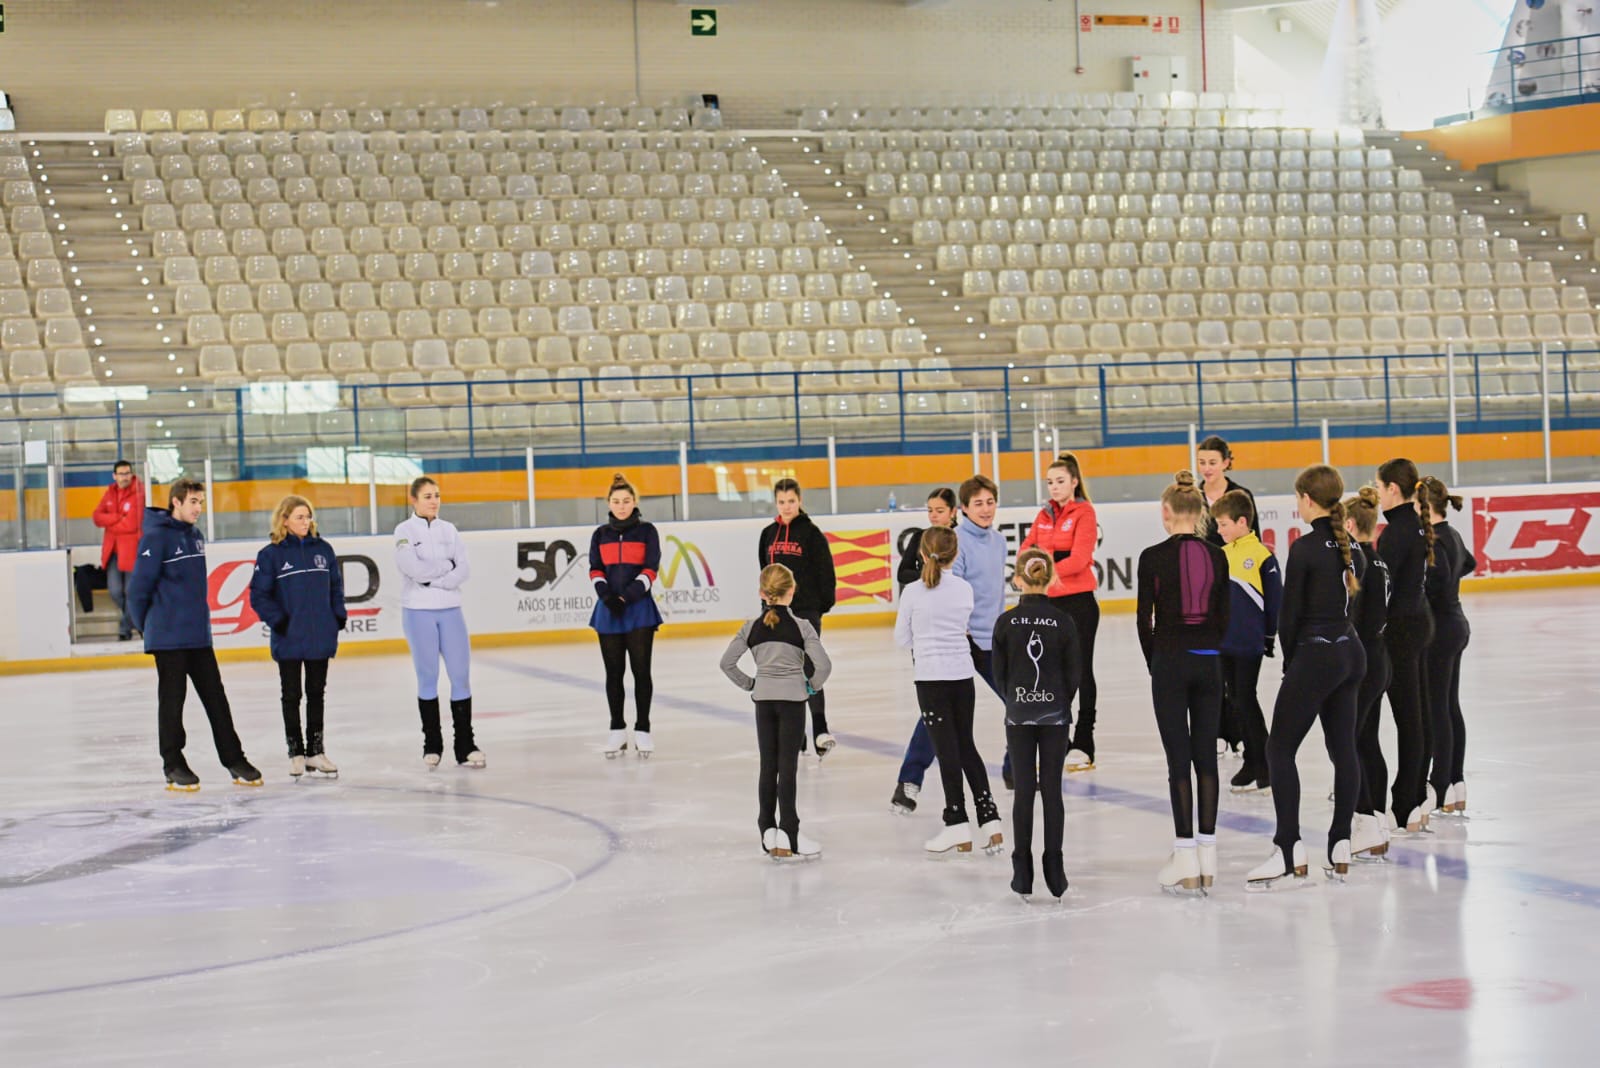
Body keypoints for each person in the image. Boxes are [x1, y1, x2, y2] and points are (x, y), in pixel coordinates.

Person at [1246, 466, 1367, 890]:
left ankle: (1288, 848)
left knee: (1279, 748)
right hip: (1350, 654)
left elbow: (1290, 616)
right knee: (1343, 748)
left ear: (1307, 499)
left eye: (1298, 498)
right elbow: (1353, 609)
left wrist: (1290, 664)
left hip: (1316, 655)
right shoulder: (1353, 546)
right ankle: (1341, 842)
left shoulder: (1305, 549)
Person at [126, 477, 262, 790]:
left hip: (198, 635)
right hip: (168, 637)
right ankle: (173, 762)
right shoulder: (156, 538)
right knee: (172, 702)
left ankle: (234, 758)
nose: (198, 508)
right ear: (176, 502)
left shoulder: (195, 536)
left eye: (201, 502)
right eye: (193, 502)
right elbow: (137, 591)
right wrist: (149, 628)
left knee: (217, 699)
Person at [1136, 471, 1230, 895]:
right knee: (1205, 758)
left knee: (1179, 761)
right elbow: (1225, 616)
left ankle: (1185, 855)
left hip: (1170, 664)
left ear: (1166, 513)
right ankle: (1208, 857)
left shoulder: (1151, 557)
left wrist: (1156, 662)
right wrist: (1209, 648)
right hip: (1209, 665)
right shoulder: (1218, 556)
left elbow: (1144, 620)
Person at [891, 475, 1009, 810]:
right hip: (959, 643)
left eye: (990, 502)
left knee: (1017, 703)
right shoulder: (956, 541)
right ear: (965, 509)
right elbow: (945, 592)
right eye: (978, 504)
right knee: (936, 718)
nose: (985, 510)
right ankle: (909, 781)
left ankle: (1015, 769)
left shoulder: (999, 542)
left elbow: (996, 594)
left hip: (991, 642)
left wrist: (1001, 634)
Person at [895, 526, 1003, 855]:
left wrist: (924, 641)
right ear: (955, 555)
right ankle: (990, 820)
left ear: (922, 555)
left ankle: (956, 822)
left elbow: (902, 638)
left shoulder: (913, 592)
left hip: (931, 679)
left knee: (946, 752)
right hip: (961, 676)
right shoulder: (964, 590)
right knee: (965, 745)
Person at [720, 564, 832, 860]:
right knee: (788, 768)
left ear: (762, 593)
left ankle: (767, 831)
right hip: (793, 702)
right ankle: (790, 834)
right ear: (792, 592)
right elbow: (824, 667)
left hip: (764, 701)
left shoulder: (751, 627)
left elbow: (726, 663)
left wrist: (751, 684)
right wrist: (809, 688)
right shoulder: (802, 627)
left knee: (768, 766)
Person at [991, 547, 1081, 901]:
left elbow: (999, 675)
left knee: (1025, 790)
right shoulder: (1064, 622)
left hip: (1019, 714)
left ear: (1017, 579)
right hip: (1056, 715)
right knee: (1053, 790)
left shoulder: (1006, 622)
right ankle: (1055, 869)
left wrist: (1018, 699)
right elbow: (1075, 674)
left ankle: (1022, 871)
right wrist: (1056, 701)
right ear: (1052, 578)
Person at [249, 495, 346, 780]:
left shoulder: (323, 550)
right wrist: (279, 621)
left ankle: (316, 751)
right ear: (285, 520)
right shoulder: (271, 555)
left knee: (316, 694)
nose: (306, 522)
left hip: (320, 637)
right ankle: (297, 753)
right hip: (289, 637)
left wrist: (337, 616)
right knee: (291, 696)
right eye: (300, 517)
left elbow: (335, 588)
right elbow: (259, 595)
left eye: (309, 517)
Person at [1018, 452, 1100, 773]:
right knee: (1051, 674)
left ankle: (1084, 741)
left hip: (1078, 603)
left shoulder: (1084, 512)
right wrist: (1042, 565)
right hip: (1049, 603)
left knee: (1081, 671)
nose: (1054, 487)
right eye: (1050, 482)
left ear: (1074, 482)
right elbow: (1027, 549)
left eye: (1060, 481)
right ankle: (1059, 739)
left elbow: (1079, 559)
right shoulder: (1044, 515)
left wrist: (1045, 568)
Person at [394, 476, 483, 769]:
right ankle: (432, 744)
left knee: (460, 675)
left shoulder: (450, 530)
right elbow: (413, 569)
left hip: (451, 609)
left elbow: (465, 568)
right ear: (414, 500)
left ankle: (465, 745)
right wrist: (445, 568)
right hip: (418, 611)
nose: (434, 500)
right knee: (428, 676)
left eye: (437, 495)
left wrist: (437, 579)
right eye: (428, 496)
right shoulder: (404, 531)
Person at [757, 478, 837, 757]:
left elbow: (826, 572)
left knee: (809, 668)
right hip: (775, 613)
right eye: (782, 502)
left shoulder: (812, 534)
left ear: (799, 501)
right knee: (782, 669)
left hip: (806, 611)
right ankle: (796, 734)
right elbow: (764, 572)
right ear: (776, 502)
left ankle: (820, 729)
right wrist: (766, 606)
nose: (787, 506)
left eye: (791, 501)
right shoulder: (768, 534)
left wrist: (818, 607)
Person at [1375, 458, 1434, 834]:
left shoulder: (1396, 532)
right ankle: (1412, 792)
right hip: (1416, 623)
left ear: (1393, 489)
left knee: (1409, 716)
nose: (1378, 494)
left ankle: (1408, 798)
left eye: (1380, 487)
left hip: (1401, 630)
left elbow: (1384, 589)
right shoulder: (1412, 525)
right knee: (1417, 714)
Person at [1212, 489, 1281, 794]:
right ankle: (1255, 759)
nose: (1219, 530)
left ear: (1242, 522)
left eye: (1223, 524)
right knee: (1236, 699)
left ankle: (1264, 760)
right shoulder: (1222, 555)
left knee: (1245, 698)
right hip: (1225, 642)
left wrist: (1269, 636)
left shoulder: (1263, 555)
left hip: (1249, 642)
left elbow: (1275, 601)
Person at [589, 473, 664, 758]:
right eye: (616, 501)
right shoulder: (600, 534)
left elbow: (651, 568)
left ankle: (643, 729)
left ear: (635, 502)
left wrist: (627, 596)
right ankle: (617, 729)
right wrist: (607, 596)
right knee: (614, 672)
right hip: (608, 610)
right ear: (609, 503)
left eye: (627, 501)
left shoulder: (647, 531)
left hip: (639, 610)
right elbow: (595, 568)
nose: (621, 506)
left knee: (641, 671)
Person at [1419, 475, 1474, 817]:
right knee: (1449, 704)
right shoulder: (1450, 534)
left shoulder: (1434, 540)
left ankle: (1440, 786)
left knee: (1437, 707)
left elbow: (1435, 584)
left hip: (1439, 631)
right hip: (1456, 624)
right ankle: (1456, 781)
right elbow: (1469, 563)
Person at [1344, 486, 1392, 860]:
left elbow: (1353, 617)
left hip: (1363, 660)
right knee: (1367, 740)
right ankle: (1376, 814)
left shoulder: (1358, 563)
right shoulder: (1379, 560)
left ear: (1348, 523)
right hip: (1380, 657)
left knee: (1350, 741)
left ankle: (1366, 820)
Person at [92, 459, 143, 641]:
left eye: (127, 473)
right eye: (121, 474)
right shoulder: (110, 492)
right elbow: (97, 517)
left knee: (131, 592)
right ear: (114, 476)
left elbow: (132, 524)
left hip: (132, 550)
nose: (124, 477)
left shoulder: (139, 492)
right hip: (112, 550)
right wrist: (117, 517)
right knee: (115, 591)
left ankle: (124, 628)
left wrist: (110, 523)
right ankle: (138, 622)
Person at [1196, 435, 1256, 548]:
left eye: (1212, 463)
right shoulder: (1193, 498)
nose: (1206, 468)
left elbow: (1254, 538)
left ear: (1226, 463)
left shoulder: (1242, 495)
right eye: (1202, 463)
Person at [896, 487, 958, 591]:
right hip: (925, 593)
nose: (933, 515)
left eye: (939, 511)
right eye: (930, 510)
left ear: (953, 511)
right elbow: (902, 573)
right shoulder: (919, 537)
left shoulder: (962, 536)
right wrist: (929, 575)